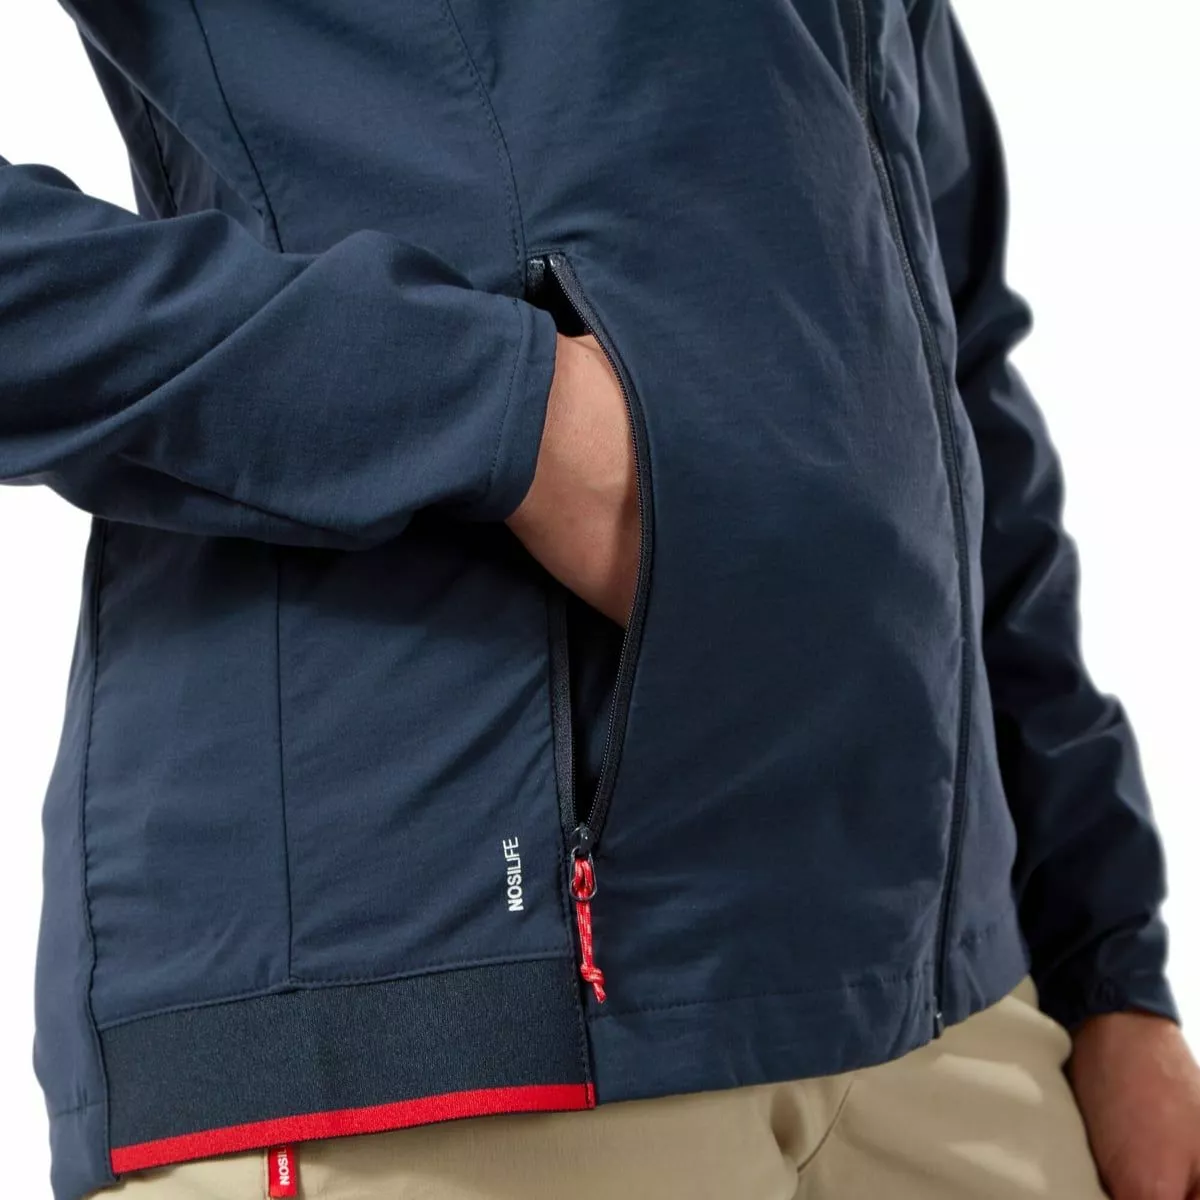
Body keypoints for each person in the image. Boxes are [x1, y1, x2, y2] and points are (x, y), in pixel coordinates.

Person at [2, 2, 1197, 1198]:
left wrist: (1108, 969)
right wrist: (509, 416)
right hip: (451, 1000)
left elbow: (944, 353)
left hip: (947, 1017)